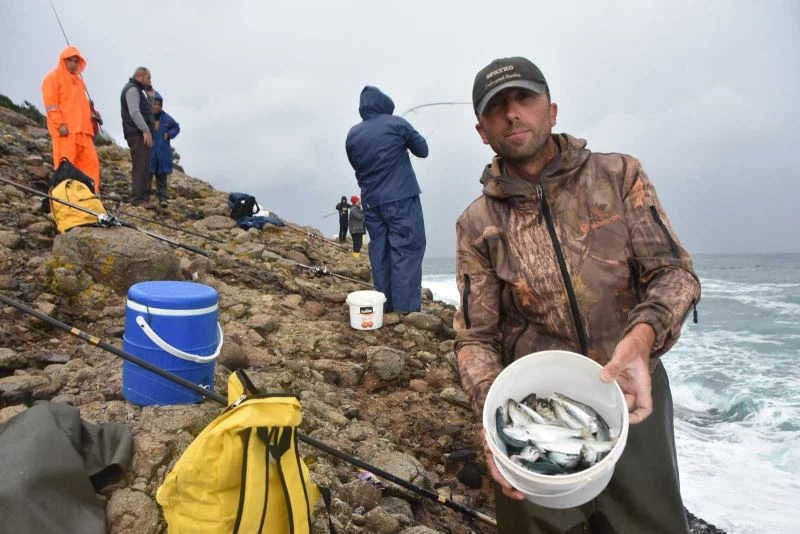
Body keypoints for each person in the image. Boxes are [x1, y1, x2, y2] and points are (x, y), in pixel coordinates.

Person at [453, 57, 701, 534]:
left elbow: (674, 272)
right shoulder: (476, 224)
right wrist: (495, 420)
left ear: (552, 110)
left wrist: (641, 340)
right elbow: (475, 337)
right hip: (533, 407)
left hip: (633, 393)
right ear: (483, 132)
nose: (512, 114)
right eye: (496, 107)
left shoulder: (619, 176)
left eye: (524, 98)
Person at [345, 85, 429, 313]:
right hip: (401, 197)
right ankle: (406, 309)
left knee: (380, 249)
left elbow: (356, 164)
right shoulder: (397, 124)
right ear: (385, 104)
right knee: (407, 246)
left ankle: (385, 304)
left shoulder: (352, 134)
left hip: (371, 202)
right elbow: (423, 150)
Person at [41, 46, 101, 193]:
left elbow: (81, 106)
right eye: (70, 60)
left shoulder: (79, 82)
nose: (73, 64)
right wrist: (60, 124)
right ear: (63, 60)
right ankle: (64, 198)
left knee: (91, 165)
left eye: (76, 61)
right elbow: (51, 104)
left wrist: (92, 118)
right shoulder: (52, 77)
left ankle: (90, 197)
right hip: (66, 133)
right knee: (65, 167)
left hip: (84, 133)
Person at [120, 67, 155, 208]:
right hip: (137, 134)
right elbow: (134, 112)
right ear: (140, 76)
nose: (150, 81)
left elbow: (147, 111)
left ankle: (142, 198)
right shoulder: (133, 89)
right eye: (148, 78)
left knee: (144, 165)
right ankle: (138, 199)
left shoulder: (138, 90)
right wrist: (145, 130)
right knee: (140, 165)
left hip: (139, 133)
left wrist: (150, 97)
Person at [149, 92, 181, 207]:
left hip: (162, 153)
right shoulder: (146, 117)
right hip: (150, 153)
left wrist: (169, 134)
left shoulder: (167, 118)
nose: (156, 106)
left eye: (159, 105)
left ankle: (163, 199)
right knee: (147, 176)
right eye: (154, 104)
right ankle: (145, 198)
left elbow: (176, 127)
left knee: (162, 177)